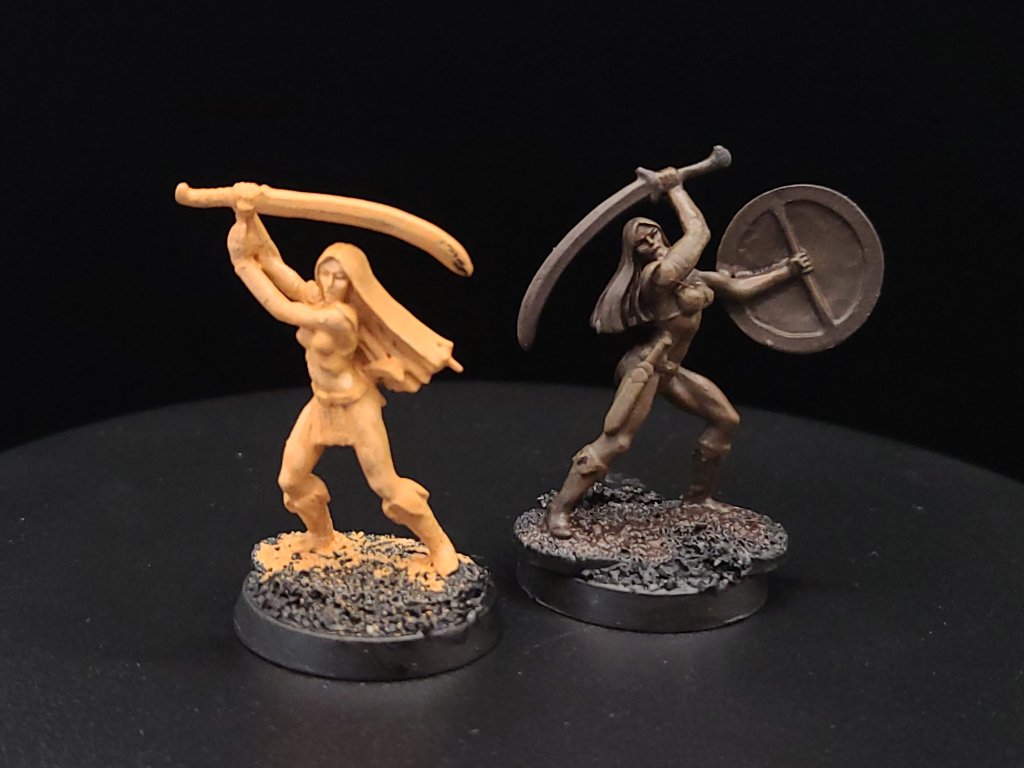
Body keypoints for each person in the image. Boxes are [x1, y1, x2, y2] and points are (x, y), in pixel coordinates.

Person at [543, 168, 812, 538]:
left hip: (671, 371)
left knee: (725, 420)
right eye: (641, 242)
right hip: (647, 366)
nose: (651, 242)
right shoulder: (658, 277)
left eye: (653, 233)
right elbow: (699, 232)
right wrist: (676, 189)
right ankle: (559, 511)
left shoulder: (694, 277)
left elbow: (740, 290)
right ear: (635, 253)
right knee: (617, 439)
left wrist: (788, 271)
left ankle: (697, 498)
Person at [226, 197, 460, 575]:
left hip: (355, 405)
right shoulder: (317, 297)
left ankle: (440, 545)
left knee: (386, 486)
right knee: (292, 480)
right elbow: (272, 261)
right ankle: (322, 538)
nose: (330, 283)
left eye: (340, 278)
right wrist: (248, 216)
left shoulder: (339, 317)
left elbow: (281, 309)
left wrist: (240, 264)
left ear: (353, 283)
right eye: (326, 273)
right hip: (322, 405)